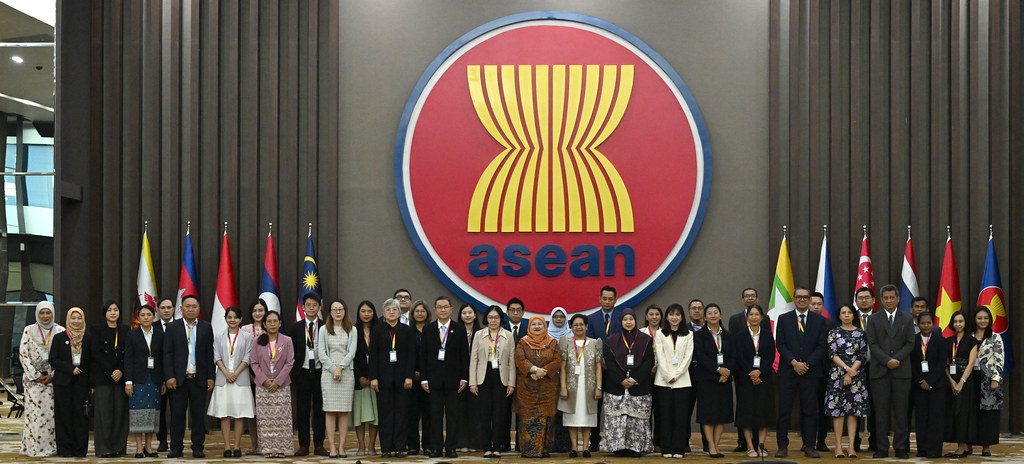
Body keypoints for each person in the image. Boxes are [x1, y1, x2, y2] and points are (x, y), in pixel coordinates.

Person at [775, 287, 829, 458]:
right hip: (788, 371)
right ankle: (782, 446)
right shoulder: (783, 319)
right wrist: (794, 362)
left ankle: (809, 445)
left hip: (810, 372)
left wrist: (806, 364)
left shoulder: (819, 321)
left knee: (810, 410)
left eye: (806, 297)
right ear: (794, 298)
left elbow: (822, 346)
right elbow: (781, 344)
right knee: (784, 410)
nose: (802, 300)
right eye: (799, 297)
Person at [865, 284, 915, 459]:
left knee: (901, 412)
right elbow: (872, 343)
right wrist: (887, 361)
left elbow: (910, 343)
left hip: (902, 372)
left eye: (892, 297)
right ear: (881, 299)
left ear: (898, 299)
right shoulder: (873, 319)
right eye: (885, 298)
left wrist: (896, 360)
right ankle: (882, 447)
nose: (888, 300)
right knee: (881, 412)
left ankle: (900, 447)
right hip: (880, 372)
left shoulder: (907, 319)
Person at [162, 294, 215, 458]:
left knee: (198, 416)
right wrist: (169, 376)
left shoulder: (206, 327)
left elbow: (209, 354)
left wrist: (210, 376)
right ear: (181, 309)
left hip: (199, 379)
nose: (191, 309)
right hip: (178, 379)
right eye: (188, 306)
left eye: (194, 306)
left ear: (199, 309)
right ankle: (176, 447)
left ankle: (198, 447)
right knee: (177, 414)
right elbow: (167, 354)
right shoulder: (172, 327)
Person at [602, 308, 655, 457]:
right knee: (617, 420)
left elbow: (649, 361)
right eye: (625, 319)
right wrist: (621, 379)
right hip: (616, 386)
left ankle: (635, 448)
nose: (628, 322)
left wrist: (634, 379)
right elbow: (609, 363)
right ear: (621, 322)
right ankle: (618, 448)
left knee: (636, 421)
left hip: (639, 386)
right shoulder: (611, 340)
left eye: (631, 319)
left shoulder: (646, 340)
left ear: (635, 321)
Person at [420, 296, 469, 458]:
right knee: (435, 416)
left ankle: (451, 447)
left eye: (445, 307)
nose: (442, 310)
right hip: (433, 381)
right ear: (435, 310)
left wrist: (464, 378)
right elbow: (424, 356)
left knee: (453, 416)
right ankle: (436, 447)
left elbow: (464, 356)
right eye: (439, 307)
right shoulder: (428, 329)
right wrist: (424, 378)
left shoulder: (459, 329)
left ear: (451, 309)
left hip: (454, 381)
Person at [369, 298, 416, 458]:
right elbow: (373, 356)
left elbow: (412, 355)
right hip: (383, 379)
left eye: (394, 309)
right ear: (383, 313)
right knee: (385, 414)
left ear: (399, 312)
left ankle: (400, 447)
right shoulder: (376, 330)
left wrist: (409, 376)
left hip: (403, 379)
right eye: (388, 309)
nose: (391, 312)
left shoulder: (407, 330)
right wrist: (373, 378)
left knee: (402, 413)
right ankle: (386, 448)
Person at [207, 306, 255, 457]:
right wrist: (227, 373)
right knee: (225, 415)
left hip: (240, 379)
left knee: (239, 415)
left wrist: (235, 373)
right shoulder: (219, 336)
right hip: (223, 378)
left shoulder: (247, 336)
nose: (232, 320)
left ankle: (237, 447)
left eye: (235, 317)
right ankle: (227, 447)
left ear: (241, 320)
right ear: (225, 319)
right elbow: (216, 357)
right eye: (229, 317)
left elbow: (247, 357)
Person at [469, 305, 516, 457]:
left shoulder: (508, 335)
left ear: (501, 319)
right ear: (486, 319)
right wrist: (472, 382)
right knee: (484, 414)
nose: (493, 320)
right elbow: (474, 360)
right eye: (490, 317)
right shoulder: (479, 334)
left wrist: (511, 383)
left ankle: (497, 447)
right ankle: (486, 447)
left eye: (496, 317)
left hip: (501, 377)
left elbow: (511, 361)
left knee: (499, 414)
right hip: (483, 376)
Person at [512, 316, 562, 458]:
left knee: (547, 418)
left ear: (545, 326)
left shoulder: (552, 343)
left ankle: (544, 449)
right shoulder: (523, 342)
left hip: (548, 388)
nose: (537, 326)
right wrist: (534, 370)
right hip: (527, 388)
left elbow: (557, 360)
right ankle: (529, 450)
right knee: (527, 418)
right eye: (533, 324)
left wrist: (542, 372)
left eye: (540, 323)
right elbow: (520, 359)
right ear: (529, 326)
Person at [824, 304, 869, 458]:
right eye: (843, 313)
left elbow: (862, 354)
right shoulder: (833, 333)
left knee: (853, 412)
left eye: (849, 312)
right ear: (839, 316)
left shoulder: (861, 333)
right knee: (838, 412)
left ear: (853, 315)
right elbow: (832, 353)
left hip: (856, 376)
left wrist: (852, 372)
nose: (847, 315)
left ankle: (851, 447)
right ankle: (838, 447)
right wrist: (846, 369)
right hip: (837, 376)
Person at [19, 301, 62, 457]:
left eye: (48, 312)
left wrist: (52, 376)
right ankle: (34, 448)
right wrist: (36, 376)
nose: (45, 316)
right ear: (37, 314)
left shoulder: (60, 330)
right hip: (33, 382)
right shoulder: (28, 330)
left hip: (53, 381)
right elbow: (23, 355)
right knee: (35, 417)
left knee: (51, 417)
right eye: (42, 313)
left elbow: (64, 356)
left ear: (53, 313)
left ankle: (52, 447)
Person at [250, 310, 295, 458]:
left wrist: (278, 381)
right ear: (264, 324)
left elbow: (289, 363)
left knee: (281, 419)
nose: (272, 324)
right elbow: (254, 363)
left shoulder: (287, 340)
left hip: (281, 386)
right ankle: (267, 449)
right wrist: (264, 380)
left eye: (275, 321)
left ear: (280, 323)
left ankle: (281, 449)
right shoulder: (258, 341)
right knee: (266, 420)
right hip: (263, 386)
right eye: (269, 321)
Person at [733, 304, 775, 458]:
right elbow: (738, 357)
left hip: (763, 379)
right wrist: (751, 373)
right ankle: (750, 446)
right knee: (747, 413)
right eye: (751, 314)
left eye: (757, 314)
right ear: (747, 317)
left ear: (762, 317)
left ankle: (761, 445)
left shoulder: (767, 334)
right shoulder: (740, 335)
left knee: (763, 412)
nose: (754, 317)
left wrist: (760, 371)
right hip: (746, 379)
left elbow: (771, 355)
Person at [318, 299, 358, 458]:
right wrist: (334, 369)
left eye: (340, 309)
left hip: (346, 372)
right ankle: (332, 447)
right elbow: (321, 353)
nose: (337, 312)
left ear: (345, 311)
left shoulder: (352, 329)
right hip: (328, 373)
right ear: (330, 312)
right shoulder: (323, 329)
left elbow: (351, 352)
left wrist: (340, 368)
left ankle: (342, 447)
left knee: (343, 411)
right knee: (329, 411)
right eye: (334, 309)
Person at [654, 303, 694, 458]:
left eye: (677, 314)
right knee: (665, 415)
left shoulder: (689, 334)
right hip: (663, 381)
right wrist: (668, 375)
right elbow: (660, 356)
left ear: (682, 317)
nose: (674, 317)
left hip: (682, 380)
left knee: (681, 415)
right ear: (667, 317)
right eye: (671, 314)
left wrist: (676, 374)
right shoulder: (660, 334)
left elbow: (687, 357)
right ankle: (666, 447)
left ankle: (678, 448)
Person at [559, 314, 603, 458]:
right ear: (571, 327)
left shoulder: (595, 343)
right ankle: (573, 447)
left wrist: (599, 387)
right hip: (571, 387)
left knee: (587, 418)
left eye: (581, 324)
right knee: (572, 418)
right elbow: (563, 367)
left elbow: (598, 368)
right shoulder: (565, 342)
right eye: (575, 325)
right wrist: (563, 387)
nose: (578, 327)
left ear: (586, 326)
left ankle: (585, 448)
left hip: (589, 387)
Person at [693, 304, 734, 458]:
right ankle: (710, 445)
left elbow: (733, 356)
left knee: (721, 415)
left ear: (721, 315)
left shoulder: (728, 335)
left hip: (724, 380)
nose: (712, 315)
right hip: (707, 380)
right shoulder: (699, 335)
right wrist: (718, 370)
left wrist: (727, 371)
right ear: (704, 317)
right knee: (708, 415)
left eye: (715, 312)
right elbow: (701, 356)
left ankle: (717, 445)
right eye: (709, 313)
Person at [90, 300, 130, 457]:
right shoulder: (97, 330)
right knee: (103, 415)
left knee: (120, 414)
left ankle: (119, 448)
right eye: (110, 310)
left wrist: (120, 370)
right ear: (104, 313)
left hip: (121, 379)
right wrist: (111, 371)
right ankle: (104, 448)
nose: (113, 313)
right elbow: (96, 354)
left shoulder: (126, 330)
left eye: (116, 310)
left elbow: (128, 353)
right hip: (103, 378)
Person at [290, 292, 328, 456]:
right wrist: (294, 373)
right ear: (303, 308)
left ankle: (319, 444)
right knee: (303, 410)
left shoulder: (326, 326)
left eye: (315, 305)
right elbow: (292, 352)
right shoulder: (296, 327)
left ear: (319, 307)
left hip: (321, 372)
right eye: (308, 305)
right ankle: (304, 445)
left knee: (320, 409)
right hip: (302, 373)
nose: (311, 308)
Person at [124, 304, 164, 458]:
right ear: (138, 318)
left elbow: (162, 359)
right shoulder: (132, 335)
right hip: (138, 380)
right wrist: (128, 381)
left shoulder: (160, 335)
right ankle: (139, 448)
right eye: (143, 315)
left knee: (152, 414)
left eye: (149, 315)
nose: (146, 317)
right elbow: (128, 359)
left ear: (154, 317)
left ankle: (149, 446)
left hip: (155, 380)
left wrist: (164, 381)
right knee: (138, 414)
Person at [50, 307, 90, 457]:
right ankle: (65, 450)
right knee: (64, 417)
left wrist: (91, 385)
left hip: (82, 384)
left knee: (80, 418)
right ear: (68, 319)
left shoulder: (88, 338)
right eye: (73, 318)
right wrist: (70, 369)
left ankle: (80, 450)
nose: (76, 321)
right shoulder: (59, 338)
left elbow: (91, 362)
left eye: (79, 318)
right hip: (63, 384)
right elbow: (53, 359)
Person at [910, 312, 948, 458]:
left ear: (933, 323)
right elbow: (911, 363)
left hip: (937, 386)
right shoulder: (913, 340)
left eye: (928, 323)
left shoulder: (940, 340)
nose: (926, 326)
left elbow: (941, 364)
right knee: (921, 418)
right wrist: (920, 380)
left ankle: (934, 450)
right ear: (918, 324)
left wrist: (930, 381)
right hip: (919, 386)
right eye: (923, 323)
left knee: (936, 419)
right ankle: (922, 449)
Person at [943, 310, 977, 458]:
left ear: (965, 323)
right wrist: (952, 382)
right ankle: (960, 444)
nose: (958, 324)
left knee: (964, 414)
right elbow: (943, 363)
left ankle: (964, 447)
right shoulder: (948, 341)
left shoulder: (972, 340)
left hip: (966, 381)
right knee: (954, 414)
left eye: (961, 321)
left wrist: (961, 382)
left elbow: (971, 363)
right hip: (952, 381)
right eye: (955, 321)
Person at [971, 306, 1004, 457]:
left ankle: (986, 446)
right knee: (971, 412)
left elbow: (1000, 359)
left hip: (989, 379)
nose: (982, 321)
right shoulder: (969, 335)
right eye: (979, 318)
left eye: (985, 318)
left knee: (988, 414)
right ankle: (969, 443)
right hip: (971, 378)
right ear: (975, 320)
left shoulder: (995, 337)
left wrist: (995, 378)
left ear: (989, 320)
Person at [350, 300, 379, 456]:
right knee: (359, 416)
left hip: (376, 381)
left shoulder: (380, 330)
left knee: (375, 416)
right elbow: (351, 356)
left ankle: (372, 446)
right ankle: (361, 446)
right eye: (363, 311)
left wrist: (374, 376)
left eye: (369, 311)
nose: (366, 314)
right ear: (358, 313)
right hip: (359, 380)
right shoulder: (353, 330)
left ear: (374, 313)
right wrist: (360, 376)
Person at [239, 298, 267, 455]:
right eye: (255, 310)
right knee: (252, 411)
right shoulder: (244, 329)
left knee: (264, 411)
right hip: (248, 374)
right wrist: (249, 373)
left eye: (261, 310)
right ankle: (254, 445)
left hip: (267, 377)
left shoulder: (271, 326)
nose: (258, 313)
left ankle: (265, 444)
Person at [809, 291, 835, 452]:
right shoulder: (801, 323)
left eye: (819, 304)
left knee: (823, 408)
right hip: (806, 371)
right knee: (808, 408)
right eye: (813, 304)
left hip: (825, 371)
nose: (816, 307)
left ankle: (822, 440)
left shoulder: (829, 324)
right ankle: (808, 441)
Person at [406, 299, 433, 455]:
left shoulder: (432, 330)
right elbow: (405, 355)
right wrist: (412, 372)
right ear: (412, 313)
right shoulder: (407, 331)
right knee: (412, 414)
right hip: (411, 379)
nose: (420, 313)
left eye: (423, 311)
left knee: (429, 414)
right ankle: (413, 445)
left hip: (429, 379)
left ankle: (428, 445)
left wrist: (426, 375)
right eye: (417, 311)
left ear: (427, 313)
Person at [852, 286, 876, 452]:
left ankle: (875, 440)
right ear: (856, 301)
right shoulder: (850, 318)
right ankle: (855, 441)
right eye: (860, 298)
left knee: (876, 405)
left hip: (876, 367)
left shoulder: (881, 318)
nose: (864, 300)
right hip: (854, 369)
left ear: (874, 300)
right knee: (854, 405)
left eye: (867, 297)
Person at [459, 302, 485, 451]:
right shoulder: (455, 331)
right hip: (460, 377)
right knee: (460, 411)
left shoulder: (482, 333)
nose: (467, 315)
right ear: (460, 316)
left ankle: (476, 443)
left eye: (470, 312)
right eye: (464, 313)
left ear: (475, 315)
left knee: (476, 412)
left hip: (478, 376)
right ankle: (462, 442)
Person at [154, 298, 176, 453]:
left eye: (169, 307)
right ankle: (162, 440)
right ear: (158, 310)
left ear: (174, 309)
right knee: (159, 411)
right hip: (157, 377)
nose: (166, 310)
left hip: (176, 377)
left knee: (176, 411)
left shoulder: (181, 326)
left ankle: (176, 440)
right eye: (163, 307)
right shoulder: (152, 327)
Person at [685, 299, 707, 453]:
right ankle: (684, 442)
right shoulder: (683, 330)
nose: (697, 311)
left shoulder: (711, 329)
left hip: (706, 372)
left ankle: (708, 443)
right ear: (689, 312)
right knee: (685, 410)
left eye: (700, 308)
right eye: (694, 308)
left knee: (706, 409)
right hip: (688, 373)